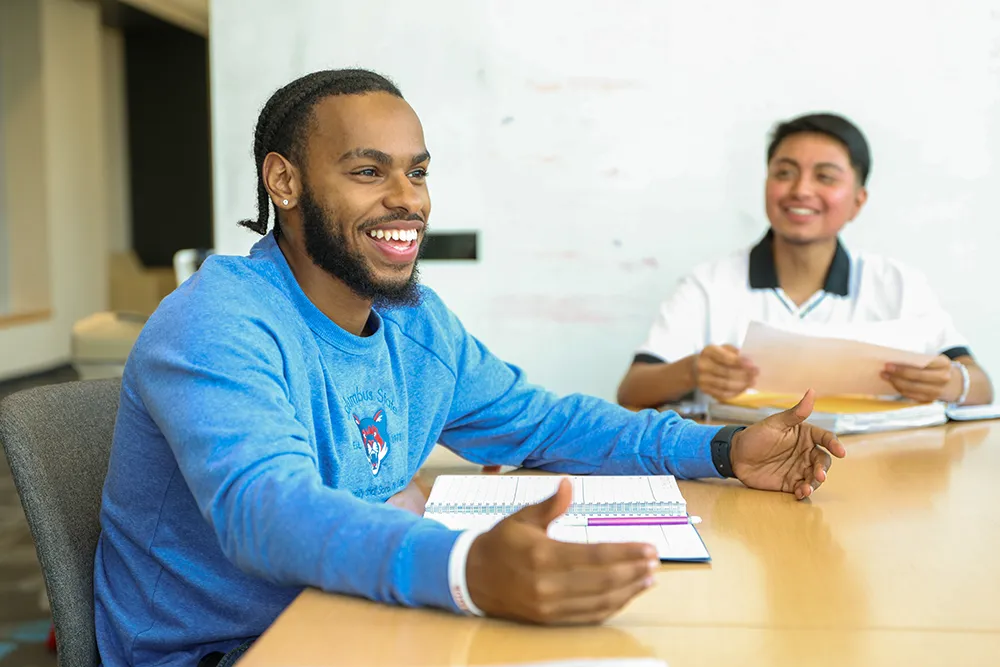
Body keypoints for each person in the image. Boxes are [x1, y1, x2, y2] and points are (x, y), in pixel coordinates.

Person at [93, 70, 846, 666]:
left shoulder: (415, 320)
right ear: (284, 183)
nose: (406, 200)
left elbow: (544, 422)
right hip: (239, 649)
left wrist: (719, 448)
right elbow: (265, 511)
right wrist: (465, 566)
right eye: (367, 171)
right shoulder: (218, 320)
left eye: (417, 173)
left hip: (360, 608)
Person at [617, 113, 993, 410]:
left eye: (825, 177)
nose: (801, 190)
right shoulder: (708, 284)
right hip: (738, 473)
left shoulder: (897, 284)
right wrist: (695, 370)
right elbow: (632, 389)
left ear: (858, 201)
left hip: (879, 470)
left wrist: (951, 383)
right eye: (784, 173)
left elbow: (982, 386)